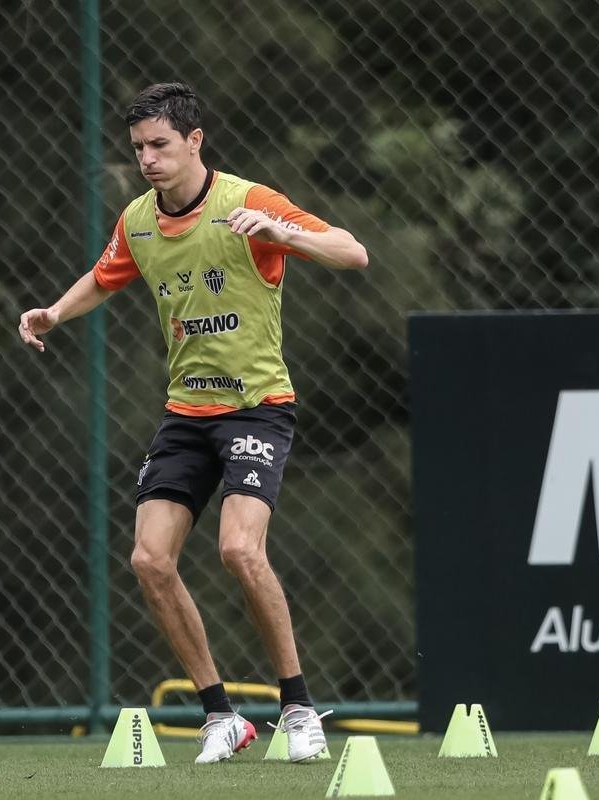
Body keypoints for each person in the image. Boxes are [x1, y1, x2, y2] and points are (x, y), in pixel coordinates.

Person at [19, 82, 368, 764]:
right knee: (149, 560)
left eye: (160, 145)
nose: (148, 159)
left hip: (256, 407)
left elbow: (351, 251)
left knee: (238, 550)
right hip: (185, 414)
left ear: (194, 141)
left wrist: (283, 233)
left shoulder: (247, 204)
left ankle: (297, 708)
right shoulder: (139, 220)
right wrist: (55, 313)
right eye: (138, 148)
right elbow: (106, 273)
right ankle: (221, 717)